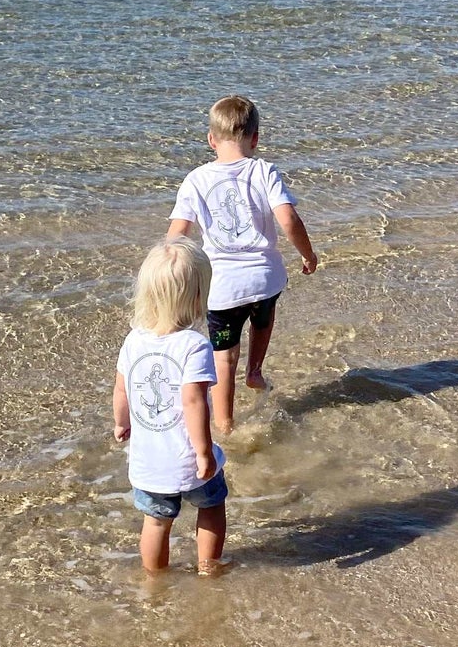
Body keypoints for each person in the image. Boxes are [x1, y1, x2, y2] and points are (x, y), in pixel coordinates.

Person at [166, 95, 318, 434]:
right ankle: (255, 372)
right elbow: (289, 219)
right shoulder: (263, 171)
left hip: (222, 289)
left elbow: (177, 235)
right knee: (263, 319)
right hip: (264, 281)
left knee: (223, 359)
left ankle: (225, 426)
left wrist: (170, 279)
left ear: (211, 139)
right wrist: (308, 254)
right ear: (255, 138)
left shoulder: (196, 179)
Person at [113, 238, 228, 575]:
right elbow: (193, 401)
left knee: (155, 521)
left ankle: (155, 580)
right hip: (185, 457)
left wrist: (121, 422)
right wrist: (204, 452)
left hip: (148, 462)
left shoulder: (134, 339)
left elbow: (121, 388)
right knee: (211, 506)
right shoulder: (194, 345)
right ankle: (207, 568)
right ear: (198, 296)